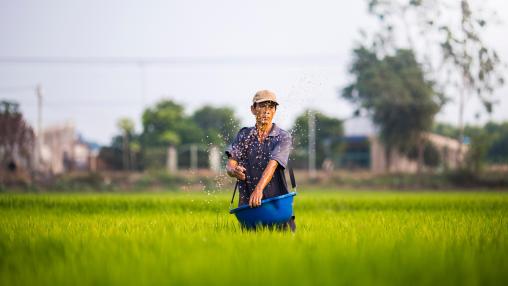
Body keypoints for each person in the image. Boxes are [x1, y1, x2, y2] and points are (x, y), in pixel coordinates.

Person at [225, 90, 296, 231]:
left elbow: (273, 164)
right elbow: (231, 163)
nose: (266, 111)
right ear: (253, 109)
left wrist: (258, 189)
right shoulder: (244, 135)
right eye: (262, 106)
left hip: (277, 208)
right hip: (249, 210)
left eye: (271, 107)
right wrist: (234, 171)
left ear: (275, 111)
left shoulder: (282, 137)